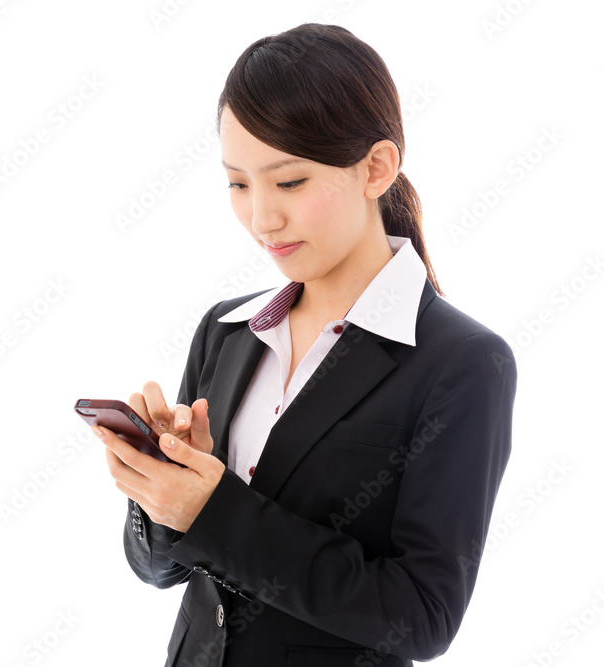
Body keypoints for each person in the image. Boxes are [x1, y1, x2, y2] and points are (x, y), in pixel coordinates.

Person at [95, 23, 517, 667]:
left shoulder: (461, 363)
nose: (262, 219)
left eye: (288, 183)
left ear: (376, 167)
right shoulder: (226, 331)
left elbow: (423, 617)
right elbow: (162, 572)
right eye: (239, 184)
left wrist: (213, 509)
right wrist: (161, 493)